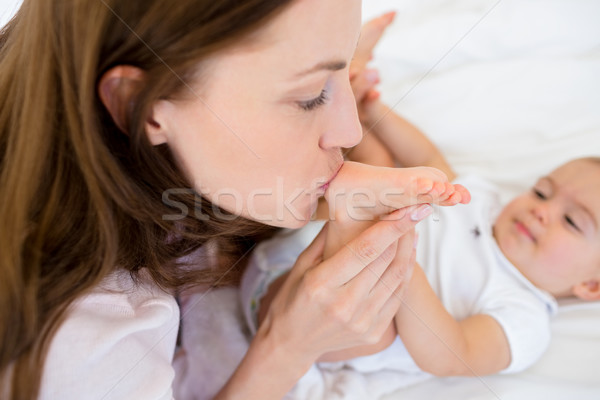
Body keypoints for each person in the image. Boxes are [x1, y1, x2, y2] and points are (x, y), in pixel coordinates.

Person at [0, 1, 469, 399]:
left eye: (343, 73)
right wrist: (286, 346)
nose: (350, 132)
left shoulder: (70, 81)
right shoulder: (74, 347)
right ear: (136, 101)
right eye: (309, 96)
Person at [244, 18, 600, 381]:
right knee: (382, 169)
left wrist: (398, 258)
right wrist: (378, 112)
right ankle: (352, 97)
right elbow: (429, 159)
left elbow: (453, 354)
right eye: (542, 191)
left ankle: (349, 162)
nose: (543, 211)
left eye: (572, 222)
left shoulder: (525, 317)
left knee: (381, 327)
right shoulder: (485, 202)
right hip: (287, 250)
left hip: (299, 321)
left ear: (591, 284)